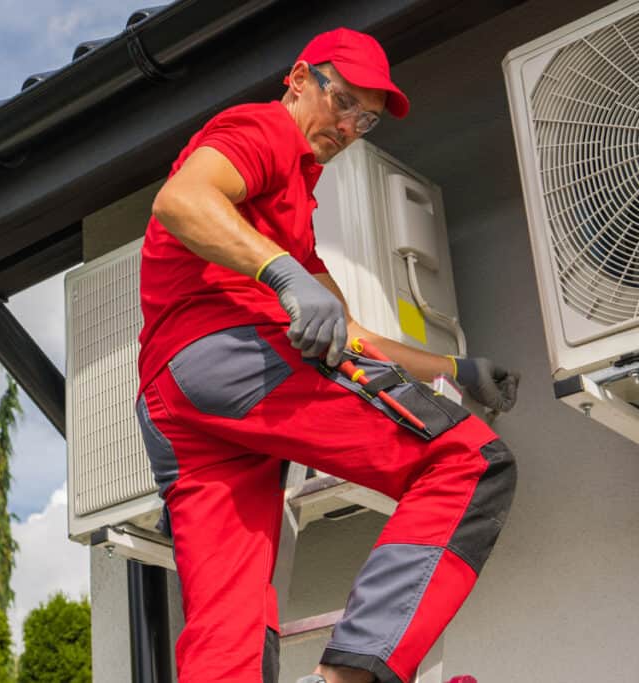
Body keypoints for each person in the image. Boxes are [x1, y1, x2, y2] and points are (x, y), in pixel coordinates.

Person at [134, 27, 519, 683]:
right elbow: (180, 199)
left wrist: (452, 369)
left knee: (229, 625)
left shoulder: (294, 213)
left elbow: (351, 335)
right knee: (469, 461)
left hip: (176, 402)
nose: (349, 126)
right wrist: (284, 275)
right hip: (226, 355)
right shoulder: (263, 132)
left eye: (365, 119)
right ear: (298, 78)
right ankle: (350, 675)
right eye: (343, 102)